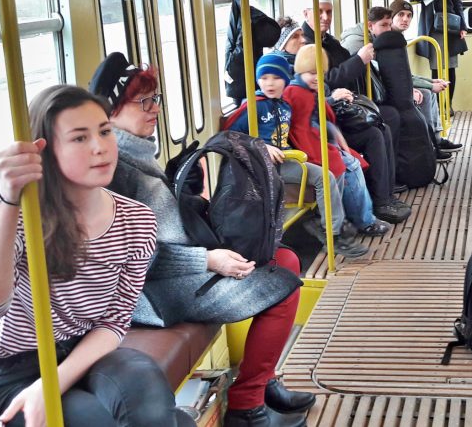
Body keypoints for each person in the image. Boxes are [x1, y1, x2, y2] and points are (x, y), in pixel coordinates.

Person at [90, 55, 312, 427]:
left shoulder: (136, 152)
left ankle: (262, 381)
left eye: (156, 99)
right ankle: (247, 402)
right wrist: (207, 260)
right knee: (283, 280)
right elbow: (135, 257)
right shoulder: (114, 169)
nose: (155, 109)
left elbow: (163, 223)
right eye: (143, 102)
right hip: (150, 295)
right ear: (111, 112)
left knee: (282, 258)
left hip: (172, 272)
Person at [0, 85, 192, 426]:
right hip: (15, 368)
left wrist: (53, 383)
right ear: (46, 151)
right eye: (79, 138)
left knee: (146, 390)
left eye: (104, 132)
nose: (100, 147)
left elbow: (115, 321)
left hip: (86, 351)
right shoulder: (21, 218)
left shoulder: (135, 220)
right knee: (91, 419)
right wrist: (8, 200)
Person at [226, 51, 368, 258]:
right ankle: (333, 233)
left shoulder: (284, 106)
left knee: (327, 174)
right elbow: (230, 137)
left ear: (285, 80)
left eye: (275, 78)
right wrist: (261, 147)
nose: (270, 83)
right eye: (264, 78)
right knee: (325, 176)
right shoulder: (254, 106)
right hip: (260, 166)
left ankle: (331, 229)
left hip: (283, 161)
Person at [303, 0, 411, 220]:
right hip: (323, 118)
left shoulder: (329, 43)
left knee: (382, 125)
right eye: (319, 11)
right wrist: (358, 61)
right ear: (306, 13)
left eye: (328, 12)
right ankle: (381, 199)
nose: (325, 17)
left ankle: (385, 193)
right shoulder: (306, 49)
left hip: (339, 108)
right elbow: (324, 81)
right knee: (374, 133)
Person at [283, 44, 393, 237]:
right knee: (349, 165)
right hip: (308, 150)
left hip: (321, 142)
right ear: (300, 70)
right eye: (311, 72)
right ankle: (362, 221)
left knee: (353, 162)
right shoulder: (295, 93)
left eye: (320, 72)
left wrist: (338, 140)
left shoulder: (309, 90)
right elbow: (300, 129)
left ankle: (361, 217)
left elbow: (320, 121)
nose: (317, 77)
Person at [389, 0, 462, 154]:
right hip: (390, 89)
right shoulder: (390, 40)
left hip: (396, 84)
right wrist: (429, 86)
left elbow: (405, 74)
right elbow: (398, 76)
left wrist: (431, 81)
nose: (405, 19)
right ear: (391, 17)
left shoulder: (398, 39)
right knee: (427, 94)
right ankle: (430, 145)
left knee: (429, 91)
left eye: (409, 16)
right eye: (400, 15)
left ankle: (436, 140)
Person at [409, 0, 468, 110]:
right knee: (436, 68)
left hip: (450, 28)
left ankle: (447, 105)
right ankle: (437, 107)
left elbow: (457, 3)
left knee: (450, 67)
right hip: (432, 29)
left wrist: (462, 26)